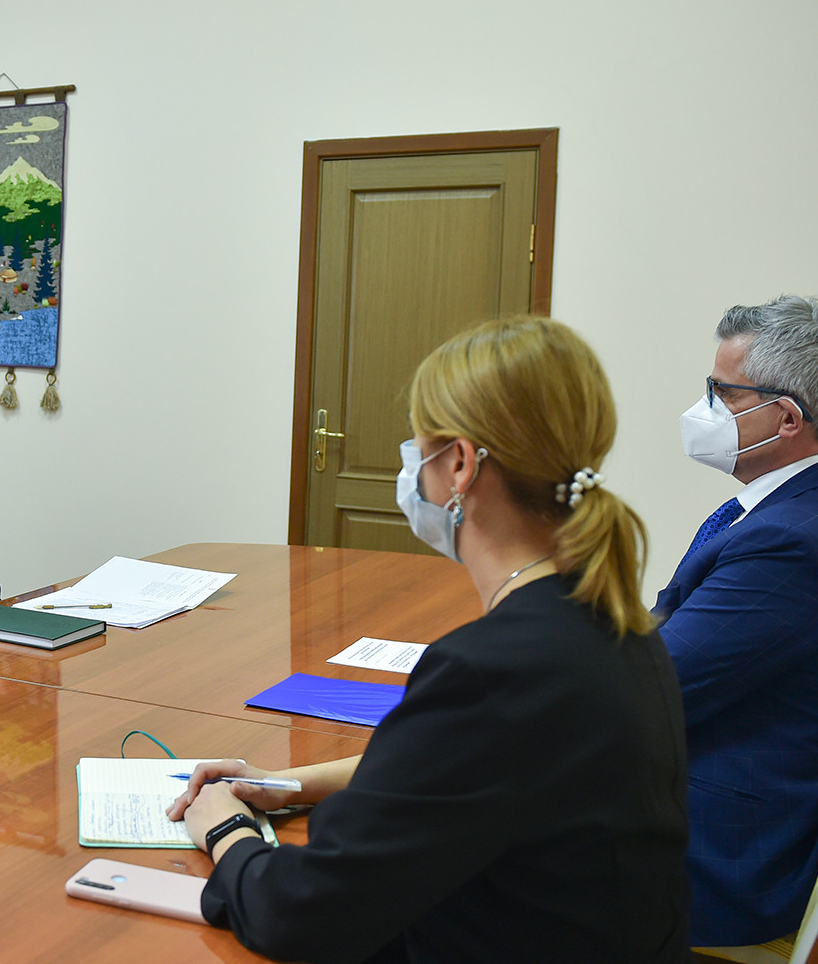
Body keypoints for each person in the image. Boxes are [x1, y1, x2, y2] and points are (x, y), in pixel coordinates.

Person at [168, 315, 689, 964]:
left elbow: (303, 914)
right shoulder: (613, 621)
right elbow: (461, 772)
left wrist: (225, 829)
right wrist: (285, 783)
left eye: (418, 443)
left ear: (461, 464)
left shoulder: (492, 670)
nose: (410, 464)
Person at [659, 295, 818, 947]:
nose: (704, 407)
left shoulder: (796, 544)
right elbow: (674, 624)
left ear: (787, 418)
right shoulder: (816, 504)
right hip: (743, 797)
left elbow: (651, 690)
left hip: (722, 858)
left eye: (722, 392)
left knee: (474, 845)